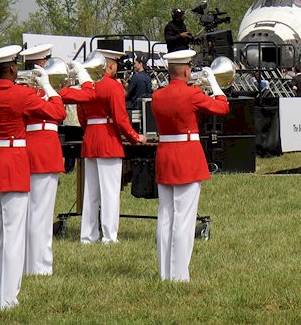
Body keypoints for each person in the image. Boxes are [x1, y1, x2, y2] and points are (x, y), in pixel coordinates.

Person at [0, 45, 65, 312]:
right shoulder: (22, 94)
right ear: (13, 68)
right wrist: (48, 87)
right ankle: (8, 299)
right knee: (13, 236)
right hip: (13, 164)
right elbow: (57, 113)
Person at [151, 49, 229, 281]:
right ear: (187, 70)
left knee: (166, 217)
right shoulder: (192, 93)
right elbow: (222, 108)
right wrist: (214, 84)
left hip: (165, 155)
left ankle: (166, 273)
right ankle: (179, 275)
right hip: (187, 156)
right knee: (183, 219)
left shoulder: (158, 95)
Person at [20, 44, 95, 276]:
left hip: (23, 148)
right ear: (42, 64)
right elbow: (90, 93)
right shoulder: (53, 91)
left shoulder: (21, 90)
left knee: (24, 210)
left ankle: (22, 261)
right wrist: (81, 71)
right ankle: (40, 266)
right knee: (42, 212)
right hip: (45, 149)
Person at [77, 49, 147, 244]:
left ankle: (88, 235)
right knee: (110, 193)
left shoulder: (88, 85)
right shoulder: (112, 86)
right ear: (110, 65)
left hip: (91, 138)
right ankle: (109, 236)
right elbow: (121, 119)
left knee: (91, 192)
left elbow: (81, 114)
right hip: (108, 140)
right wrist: (135, 137)